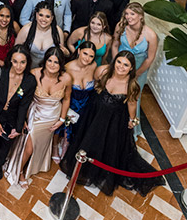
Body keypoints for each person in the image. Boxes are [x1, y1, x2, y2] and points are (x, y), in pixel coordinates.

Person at [60, 51, 165, 196]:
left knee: (107, 145)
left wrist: (132, 120)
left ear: (131, 68)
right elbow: (96, 84)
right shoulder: (103, 71)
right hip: (94, 113)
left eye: (126, 65)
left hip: (113, 121)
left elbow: (132, 106)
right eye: (119, 62)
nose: (121, 67)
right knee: (88, 139)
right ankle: (83, 164)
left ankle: (98, 169)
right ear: (114, 61)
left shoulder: (132, 86)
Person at [5, 47, 72, 188]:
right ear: (45, 61)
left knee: (39, 144)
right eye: (50, 61)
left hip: (52, 116)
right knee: (29, 146)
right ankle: (20, 172)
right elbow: (23, 98)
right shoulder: (34, 73)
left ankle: (35, 164)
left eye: (56, 62)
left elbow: (66, 99)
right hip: (35, 114)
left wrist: (61, 119)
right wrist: (21, 118)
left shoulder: (66, 79)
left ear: (61, 65)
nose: (52, 65)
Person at [0, 46, 37, 182]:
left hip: (13, 116)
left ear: (27, 62)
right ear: (10, 61)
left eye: (22, 62)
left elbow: (24, 106)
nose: (19, 66)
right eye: (15, 61)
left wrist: (18, 128)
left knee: (6, 144)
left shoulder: (30, 81)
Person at [112, 2, 158, 137]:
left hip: (139, 68)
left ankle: (132, 129)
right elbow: (115, 44)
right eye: (126, 14)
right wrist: (116, 63)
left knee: (133, 96)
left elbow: (150, 58)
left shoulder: (151, 35)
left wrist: (136, 74)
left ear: (140, 16)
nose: (128, 17)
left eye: (132, 14)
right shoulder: (121, 26)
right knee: (116, 92)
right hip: (119, 65)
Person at [58, 41, 97, 155]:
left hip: (86, 106)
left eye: (91, 56)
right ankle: (58, 148)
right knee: (64, 133)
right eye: (85, 54)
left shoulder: (93, 66)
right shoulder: (67, 68)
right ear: (79, 51)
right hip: (70, 105)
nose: (87, 59)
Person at [15, 1, 68, 68]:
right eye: (41, 15)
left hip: (49, 70)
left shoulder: (58, 32)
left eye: (47, 16)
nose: (43, 19)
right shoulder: (26, 30)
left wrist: (67, 54)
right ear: (36, 14)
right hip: (27, 70)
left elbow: (59, 56)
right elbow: (16, 52)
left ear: (52, 18)